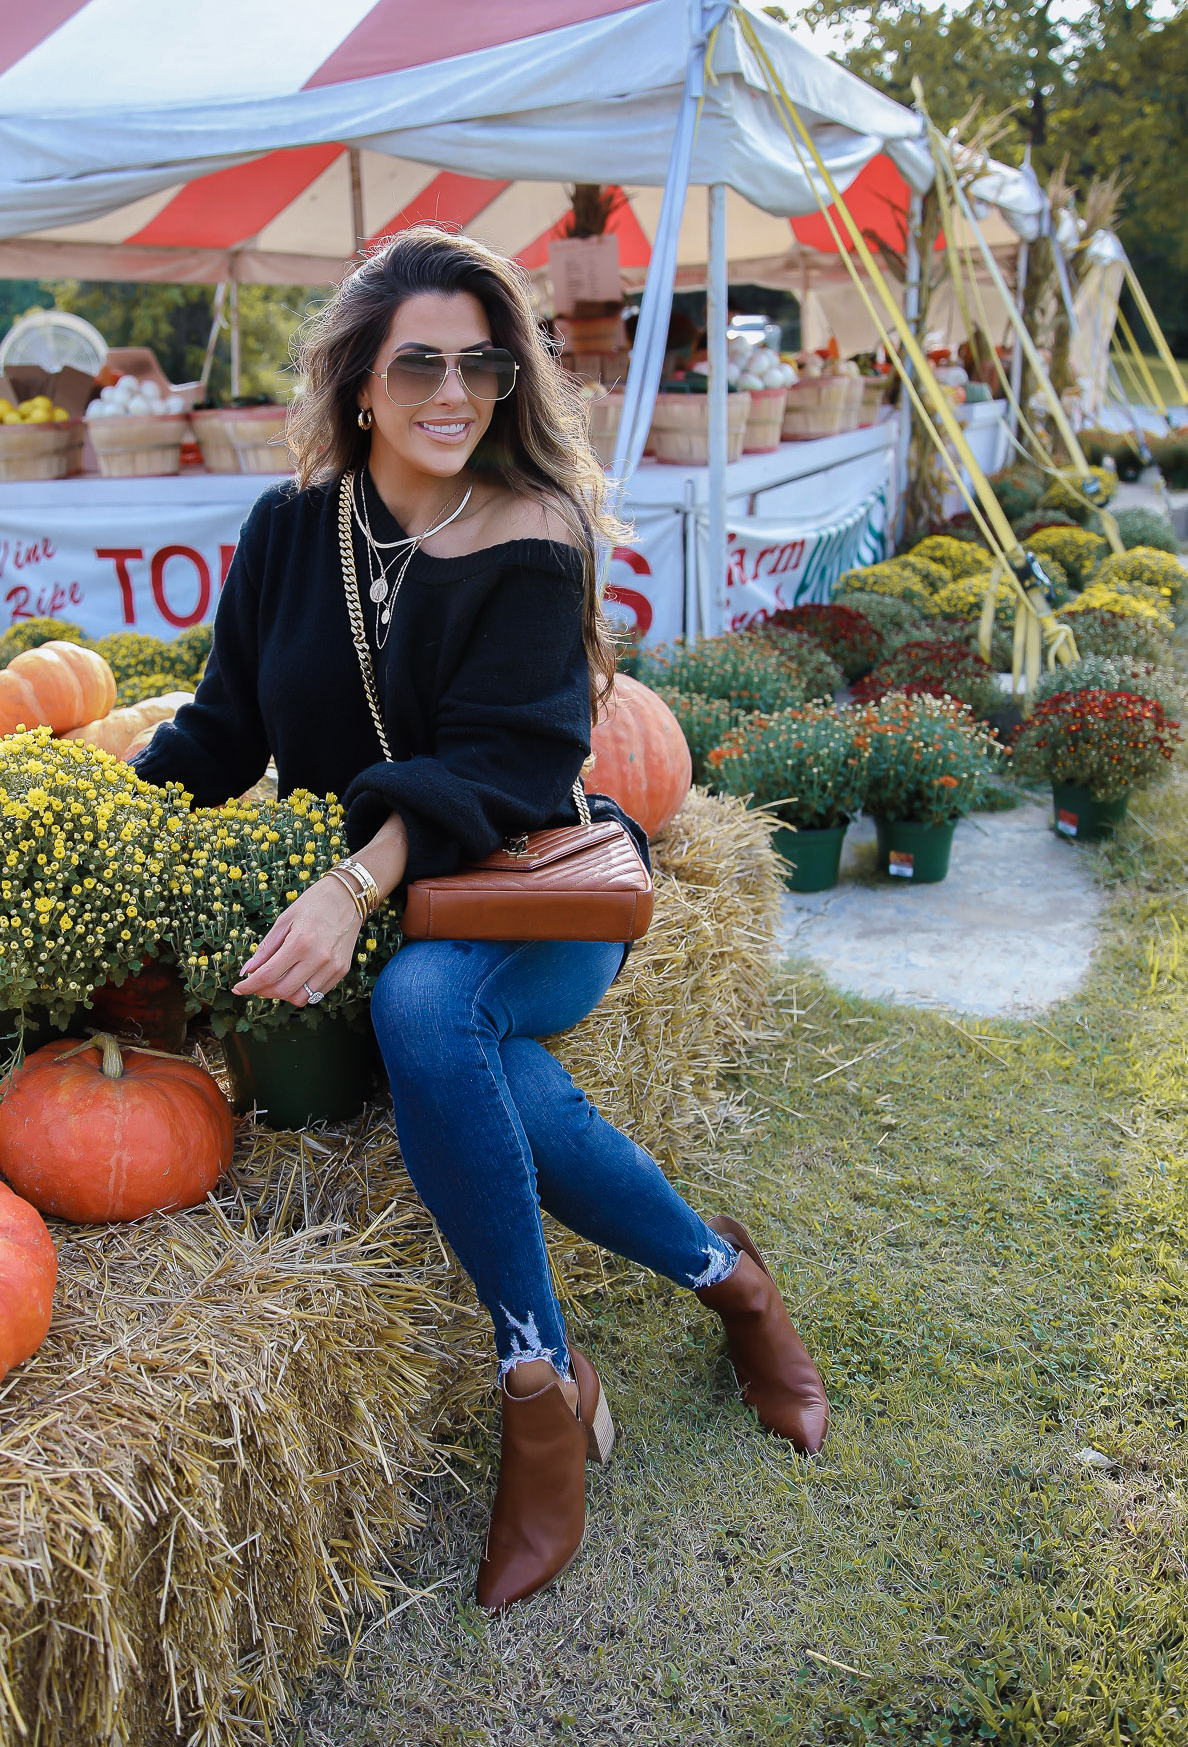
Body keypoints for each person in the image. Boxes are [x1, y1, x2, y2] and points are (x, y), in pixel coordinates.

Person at [132, 227, 827, 1613]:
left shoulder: (534, 533)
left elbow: (510, 764)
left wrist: (350, 882)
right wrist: (96, 822)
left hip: (530, 891)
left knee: (426, 1006)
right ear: (362, 383)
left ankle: (533, 1380)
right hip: (390, 899)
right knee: (475, 1064)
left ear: (511, 378)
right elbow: (222, 734)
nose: (456, 392)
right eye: (421, 364)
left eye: (483, 363)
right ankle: (729, 1280)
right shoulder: (292, 531)